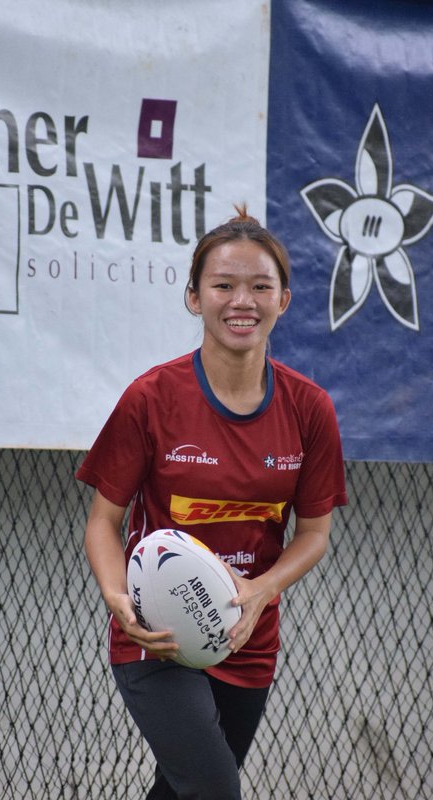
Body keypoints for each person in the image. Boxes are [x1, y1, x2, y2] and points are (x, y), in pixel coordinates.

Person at [77, 206, 348, 799]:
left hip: (247, 636)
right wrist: (120, 600)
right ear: (194, 299)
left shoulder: (310, 409)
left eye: (260, 286)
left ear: (285, 301)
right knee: (214, 789)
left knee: (180, 792)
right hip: (159, 634)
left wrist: (259, 591)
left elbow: (314, 534)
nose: (241, 300)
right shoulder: (151, 398)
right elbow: (104, 521)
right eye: (223, 285)